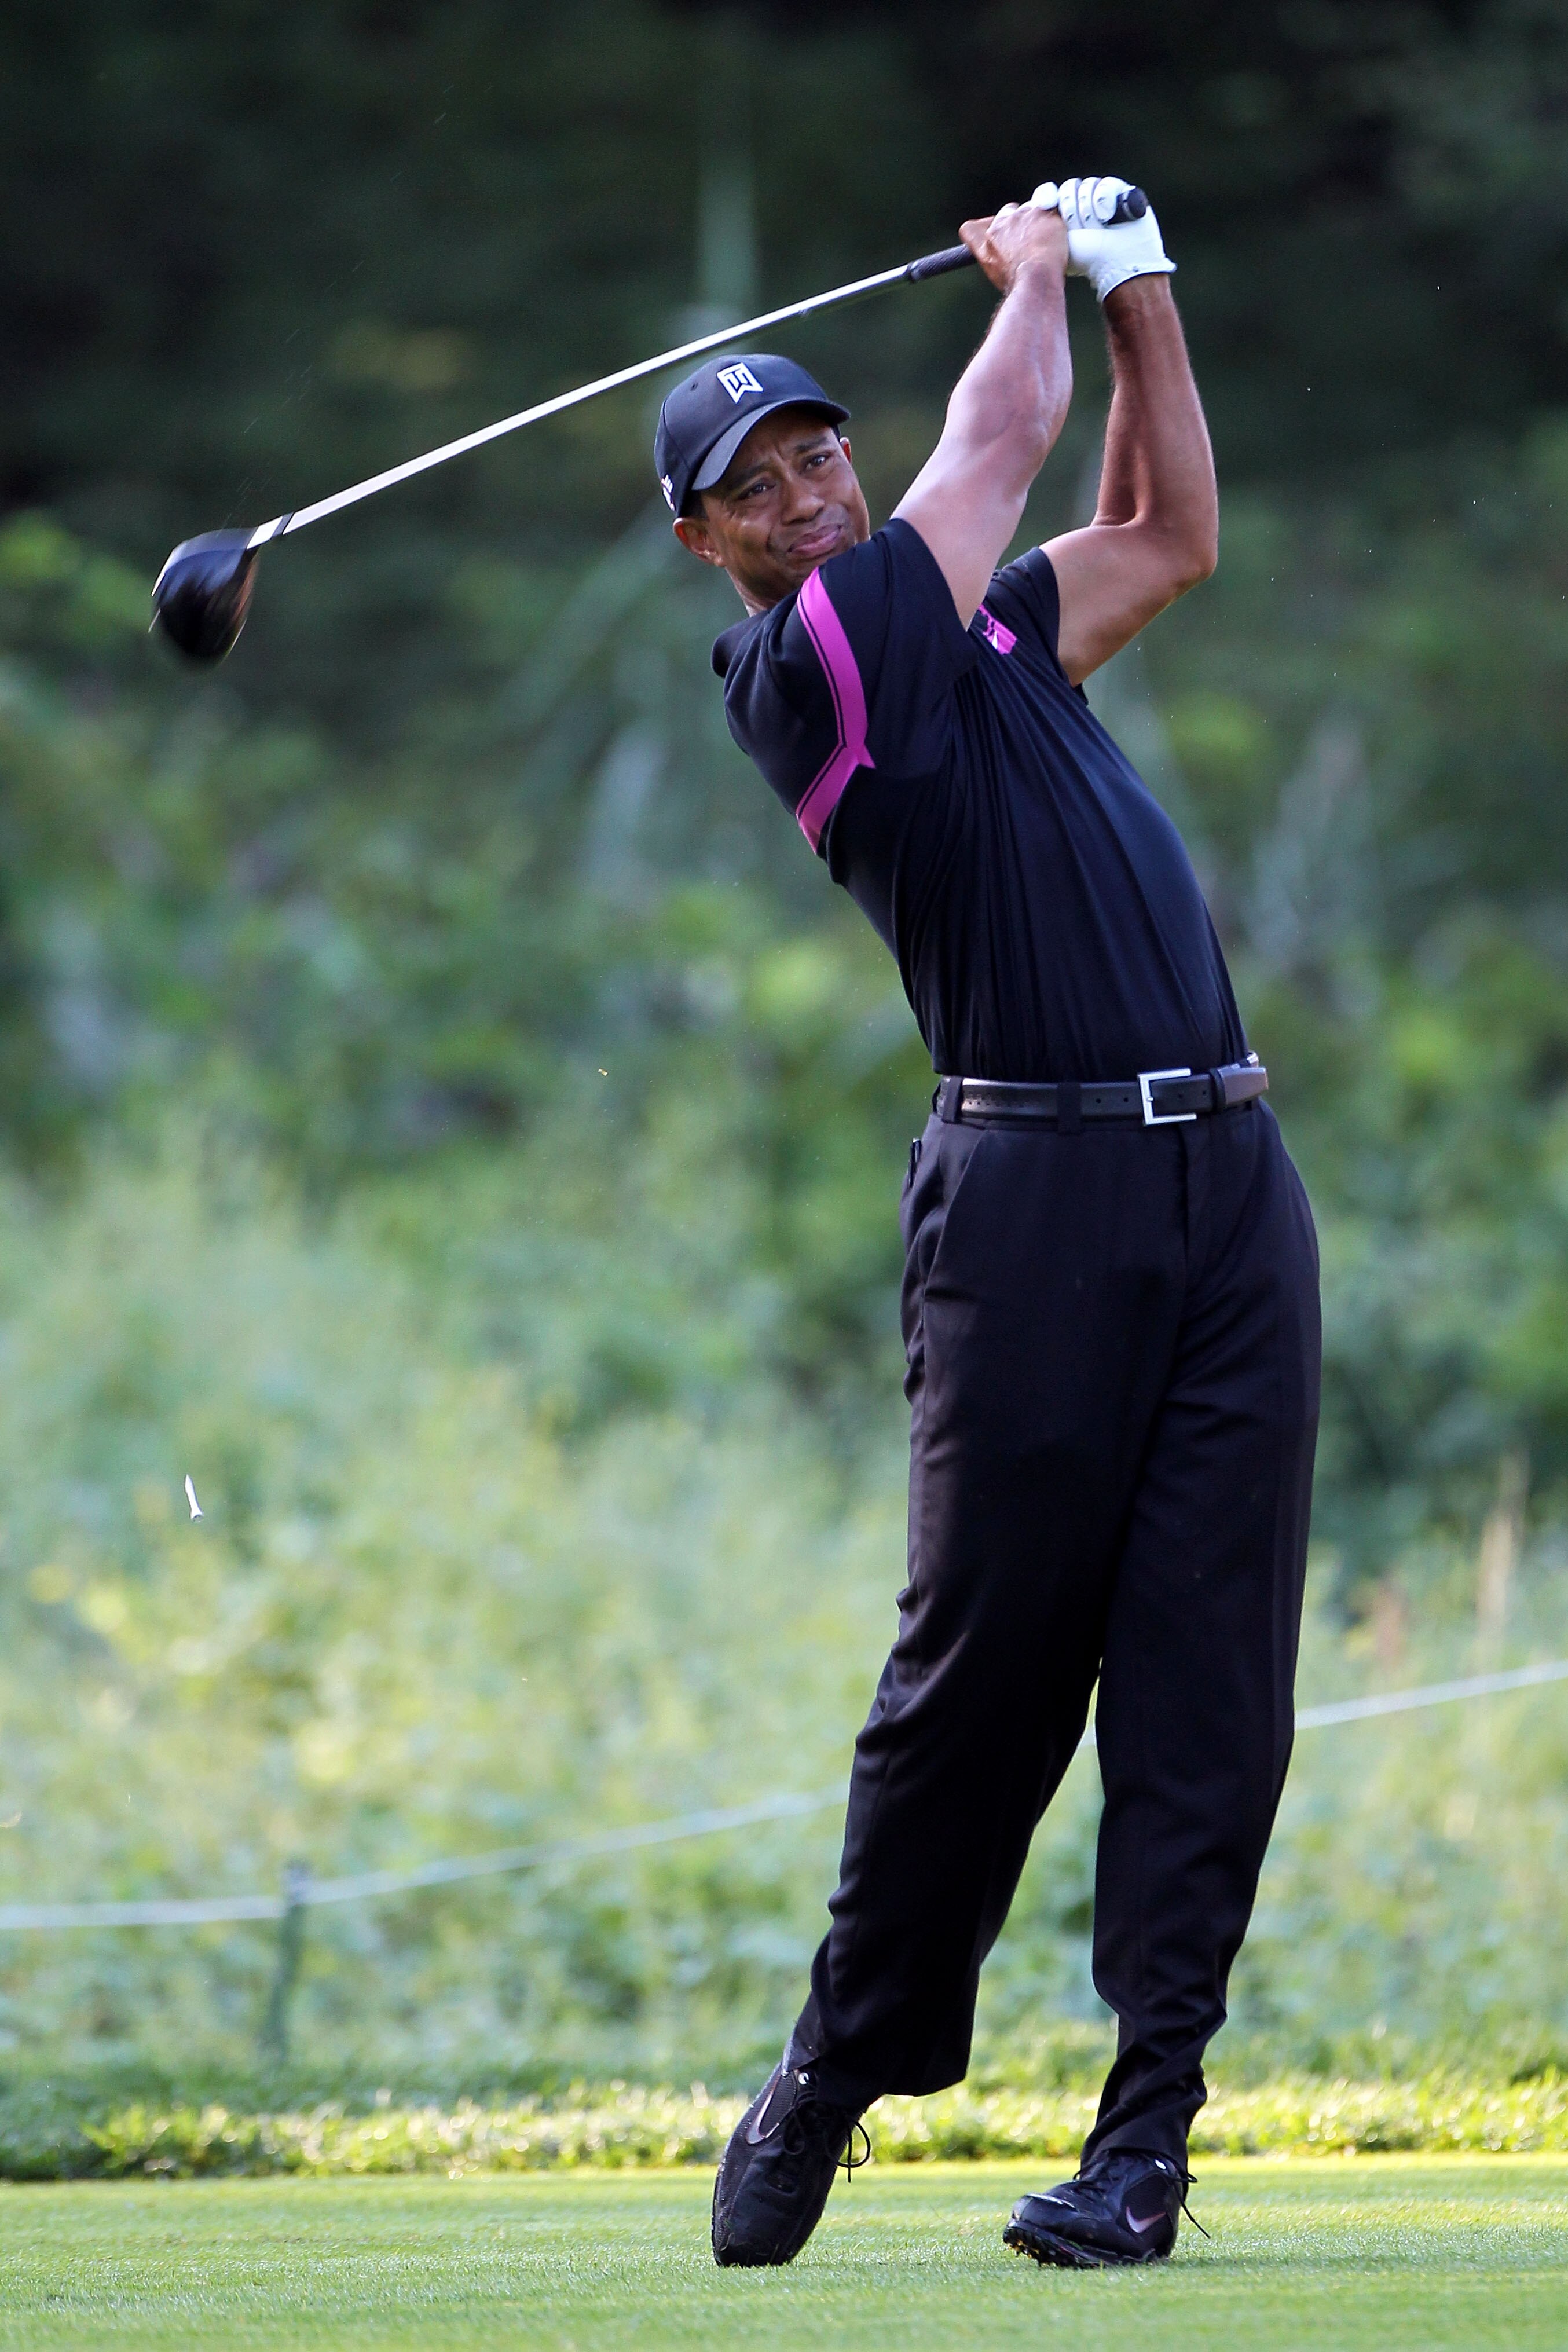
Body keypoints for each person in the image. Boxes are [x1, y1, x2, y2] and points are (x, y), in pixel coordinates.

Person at [654, 177, 1320, 2272]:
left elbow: (1169, 537)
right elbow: (995, 448)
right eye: (757, 485)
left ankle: (1144, 2141)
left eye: (818, 445)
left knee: (1209, 1672)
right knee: (981, 1682)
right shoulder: (819, 667)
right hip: (1024, 1208)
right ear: (710, 544)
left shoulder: (998, 630)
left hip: (1226, 1183)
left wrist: (1139, 297)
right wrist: (1034, 275)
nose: (808, 487)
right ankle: (835, 2072)